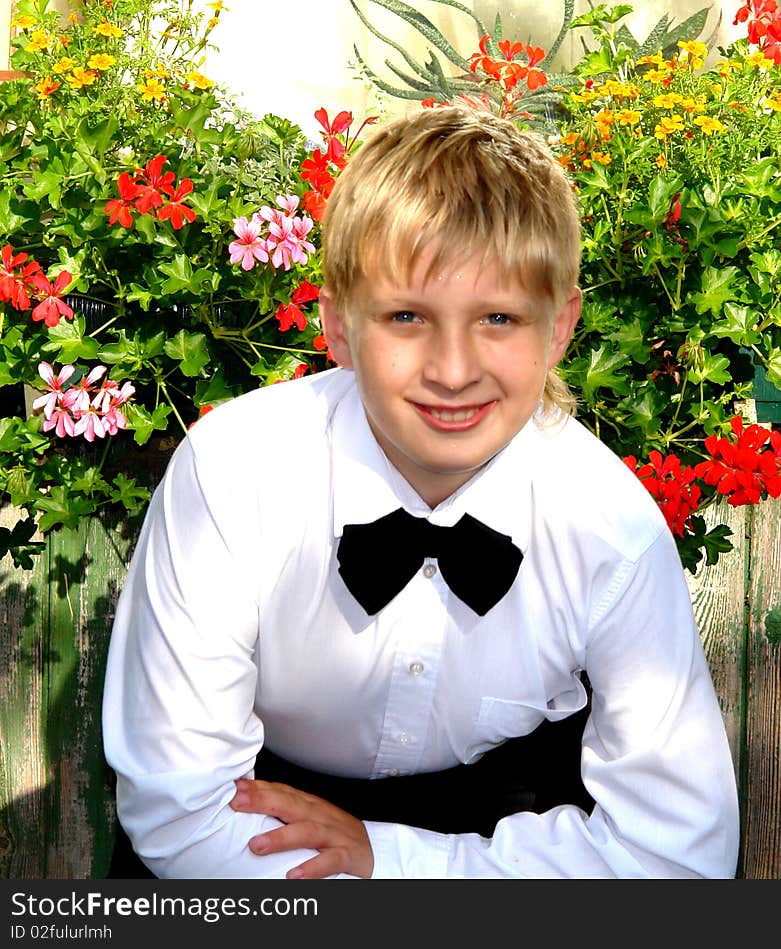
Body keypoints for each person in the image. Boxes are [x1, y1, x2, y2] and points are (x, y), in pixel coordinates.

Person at [102, 105, 740, 879]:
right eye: (407, 316)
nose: (452, 369)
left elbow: (679, 850)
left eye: (498, 317)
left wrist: (400, 864)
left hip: (512, 846)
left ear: (560, 327)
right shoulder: (231, 477)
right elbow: (182, 810)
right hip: (251, 831)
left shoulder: (610, 528)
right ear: (337, 326)